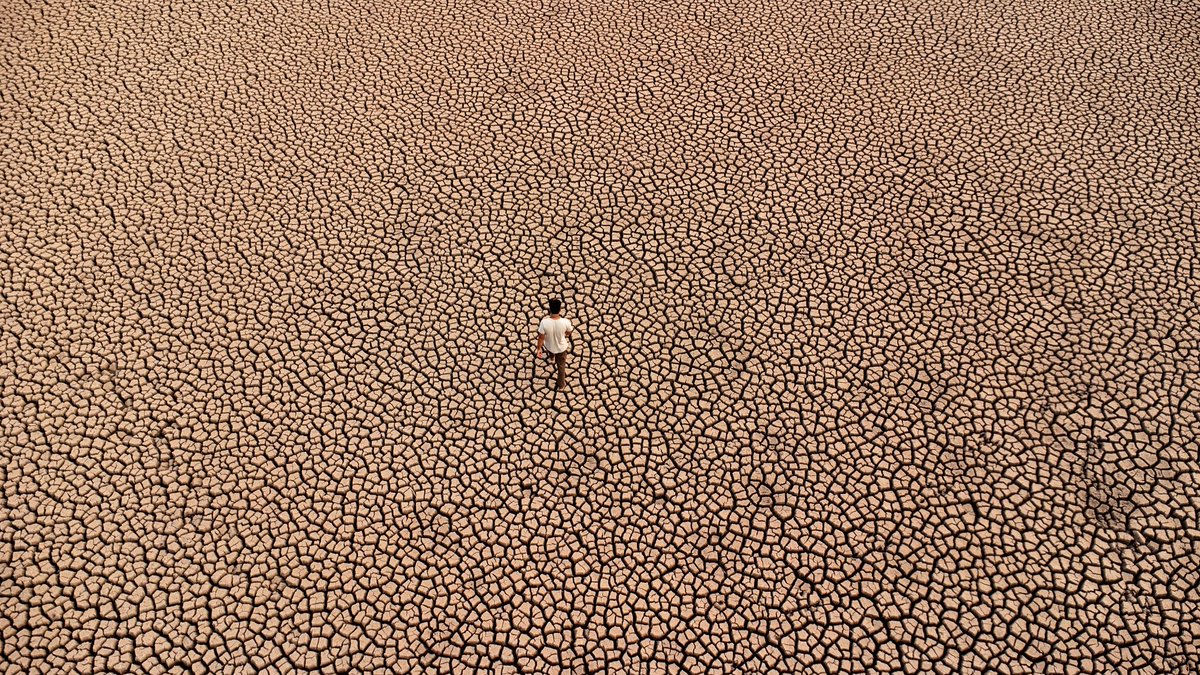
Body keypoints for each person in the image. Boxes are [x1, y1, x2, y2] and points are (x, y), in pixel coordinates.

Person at [536, 298, 573, 391]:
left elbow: (541, 337)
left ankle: (551, 358)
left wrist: (539, 348)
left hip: (549, 346)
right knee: (561, 367)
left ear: (549, 309)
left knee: (551, 352)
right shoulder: (565, 322)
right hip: (561, 348)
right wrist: (564, 334)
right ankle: (561, 385)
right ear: (560, 309)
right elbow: (569, 332)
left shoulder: (544, 322)